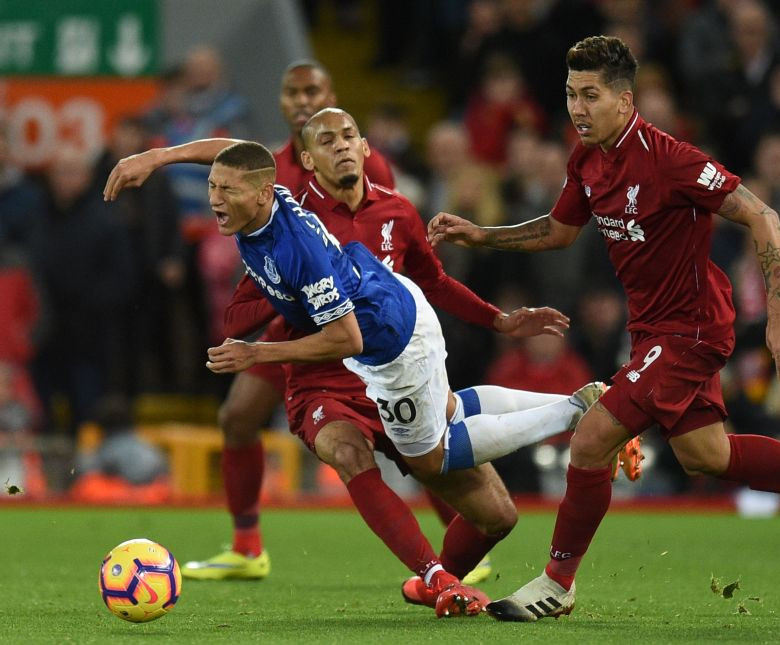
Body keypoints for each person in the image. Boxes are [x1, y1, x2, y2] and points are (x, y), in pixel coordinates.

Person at [428, 35, 780, 622]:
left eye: (590, 95)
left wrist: (777, 310)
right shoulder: (587, 158)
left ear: (625, 101)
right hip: (654, 331)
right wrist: (482, 235)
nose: (577, 107)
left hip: (690, 329)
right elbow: (560, 230)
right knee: (706, 455)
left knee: (592, 439)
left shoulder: (671, 160)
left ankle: (557, 581)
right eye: (571, 94)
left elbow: (763, 215)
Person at [104, 115, 615, 618]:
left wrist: (257, 351)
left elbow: (368, 319)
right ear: (303, 161)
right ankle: (435, 581)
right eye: (326, 140)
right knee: (353, 448)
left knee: (484, 506)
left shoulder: (354, 223)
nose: (215, 197)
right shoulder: (272, 193)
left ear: (367, 148)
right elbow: (239, 155)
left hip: (384, 345)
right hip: (333, 372)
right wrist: (159, 157)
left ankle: (575, 412)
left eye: (348, 136)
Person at [103, 61, 489, 586]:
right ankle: (246, 548)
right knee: (238, 416)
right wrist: (161, 156)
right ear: (284, 106)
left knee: (407, 439)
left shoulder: (368, 176)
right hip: (297, 326)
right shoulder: (274, 171)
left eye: (315, 91)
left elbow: (394, 247)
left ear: (334, 98)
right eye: (293, 92)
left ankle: (464, 545)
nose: (304, 100)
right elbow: (225, 152)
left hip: (359, 328)